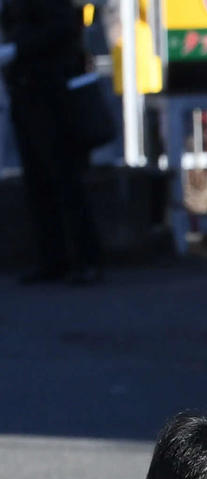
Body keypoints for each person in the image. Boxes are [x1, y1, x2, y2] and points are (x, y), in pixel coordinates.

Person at [0, 0, 102, 284]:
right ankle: (53, 259)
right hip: (25, 90)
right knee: (37, 180)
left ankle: (86, 259)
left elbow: (64, 27)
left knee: (65, 177)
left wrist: (17, 50)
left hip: (53, 93)